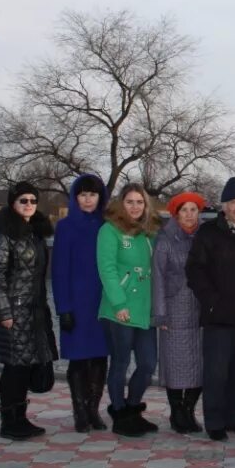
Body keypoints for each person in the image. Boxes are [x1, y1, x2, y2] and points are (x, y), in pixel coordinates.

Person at [187, 177, 235, 442]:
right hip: (218, 315)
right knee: (217, 371)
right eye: (234, 203)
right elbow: (194, 270)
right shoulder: (209, 233)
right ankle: (215, 421)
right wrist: (211, 300)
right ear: (224, 206)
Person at [0, 181, 57, 440]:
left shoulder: (34, 233)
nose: (28, 205)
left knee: (27, 366)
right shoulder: (3, 234)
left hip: (34, 311)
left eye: (32, 201)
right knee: (14, 367)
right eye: (23, 200)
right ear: (13, 203)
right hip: (13, 312)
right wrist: (4, 313)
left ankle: (21, 417)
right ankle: (9, 421)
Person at [97, 182, 161, 437]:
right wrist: (119, 304)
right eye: (130, 202)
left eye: (140, 202)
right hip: (120, 308)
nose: (135, 207)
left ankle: (133, 408)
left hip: (144, 309)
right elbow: (107, 268)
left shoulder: (150, 232)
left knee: (147, 363)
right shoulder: (109, 231)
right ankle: (119, 412)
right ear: (121, 204)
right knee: (121, 362)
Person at [51, 174, 110, 433]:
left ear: (100, 197)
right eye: (83, 194)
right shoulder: (65, 227)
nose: (88, 199)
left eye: (93, 194)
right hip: (76, 303)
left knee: (99, 358)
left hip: (103, 303)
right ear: (76, 197)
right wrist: (63, 308)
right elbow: (59, 271)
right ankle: (80, 412)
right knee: (78, 360)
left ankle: (94, 410)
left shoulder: (107, 226)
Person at [152, 191, 206, 434]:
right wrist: (160, 314)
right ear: (176, 213)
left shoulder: (205, 236)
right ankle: (176, 413)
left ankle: (188, 410)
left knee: (199, 365)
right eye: (184, 210)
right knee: (175, 365)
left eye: (193, 210)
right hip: (174, 310)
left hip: (201, 311)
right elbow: (158, 278)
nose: (189, 215)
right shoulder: (165, 239)